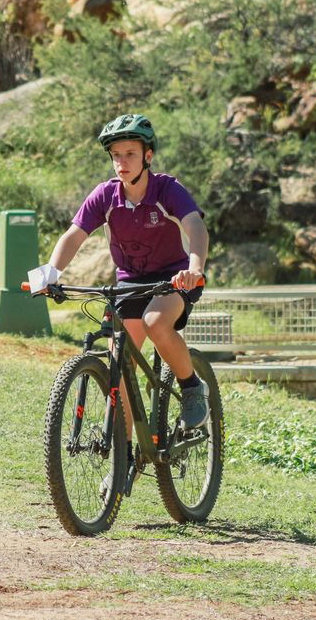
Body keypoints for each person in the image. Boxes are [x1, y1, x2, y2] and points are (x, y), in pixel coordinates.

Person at [32, 113, 211, 463]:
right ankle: (124, 459)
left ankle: (192, 387)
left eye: (130, 154)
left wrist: (195, 268)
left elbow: (195, 227)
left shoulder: (167, 189)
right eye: (116, 155)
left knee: (155, 322)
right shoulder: (105, 195)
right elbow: (74, 235)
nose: (122, 162)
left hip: (173, 278)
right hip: (129, 283)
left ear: (148, 156)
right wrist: (50, 272)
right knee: (121, 367)